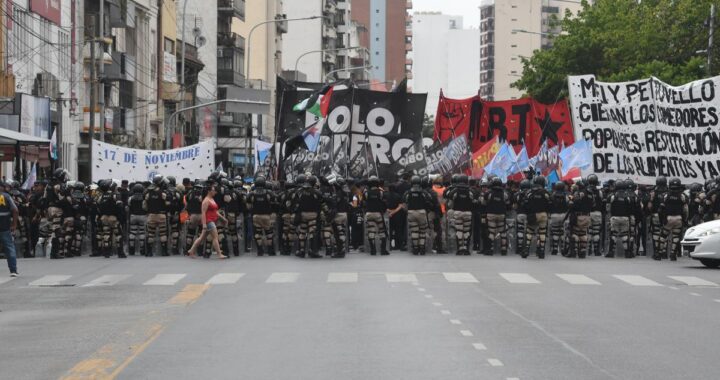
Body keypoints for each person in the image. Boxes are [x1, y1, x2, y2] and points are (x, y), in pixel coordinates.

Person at [187, 184, 228, 259]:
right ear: (209, 191)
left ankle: (191, 250)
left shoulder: (212, 199)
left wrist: (223, 218)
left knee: (201, 238)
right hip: (209, 221)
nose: (215, 192)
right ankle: (219, 254)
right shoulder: (206, 201)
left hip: (212, 220)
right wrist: (204, 224)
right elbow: (203, 213)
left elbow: (215, 211)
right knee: (215, 237)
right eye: (213, 190)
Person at [403, 175, 432, 255]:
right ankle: (422, 248)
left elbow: (404, 203)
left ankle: (415, 248)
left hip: (411, 212)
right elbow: (429, 200)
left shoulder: (408, 193)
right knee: (422, 231)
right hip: (421, 212)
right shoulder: (423, 192)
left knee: (414, 231)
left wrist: (407, 212)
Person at [0, 182, 19, 276]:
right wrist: (14, 224)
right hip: (4, 226)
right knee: (9, 247)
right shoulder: (6, 196)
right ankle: (13, 270)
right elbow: (15, 210)